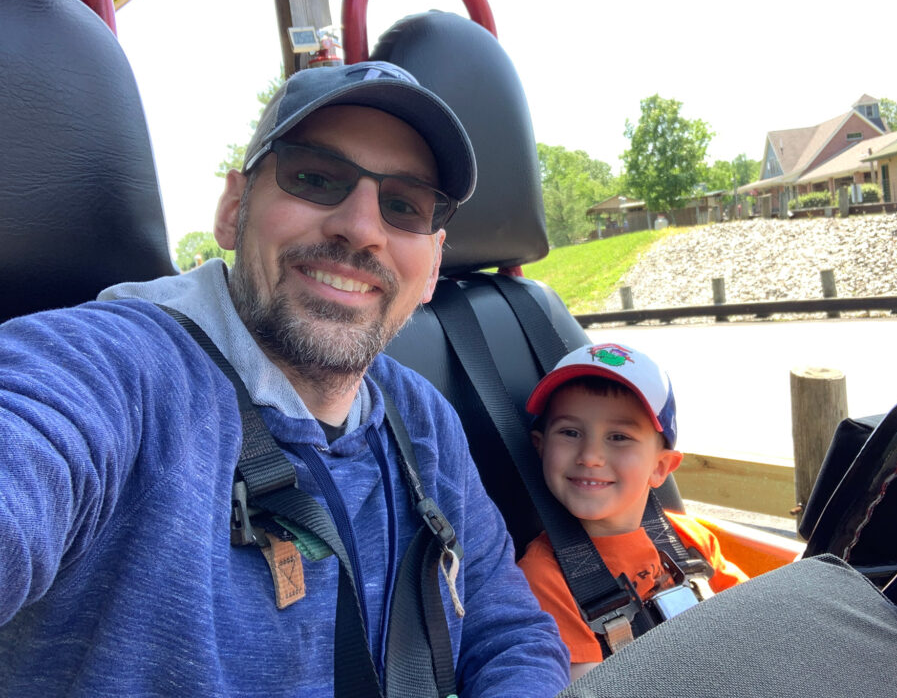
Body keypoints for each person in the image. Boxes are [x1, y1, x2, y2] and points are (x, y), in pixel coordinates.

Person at [0, 61, 569, 696]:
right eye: (316, 178)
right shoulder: (117, 369)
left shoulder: (423, 418)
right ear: (234, 209)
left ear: (432, 265)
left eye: (403, 205)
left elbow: (508, 631)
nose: (360, 228)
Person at [517, 342, 747, 680]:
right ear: (540, 448)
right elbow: (594, 687)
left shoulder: (691, 540)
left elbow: (757, 622)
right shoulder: (543, 578)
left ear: (660, 467)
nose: (590, 456)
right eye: (570, 432)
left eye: (619, 437)